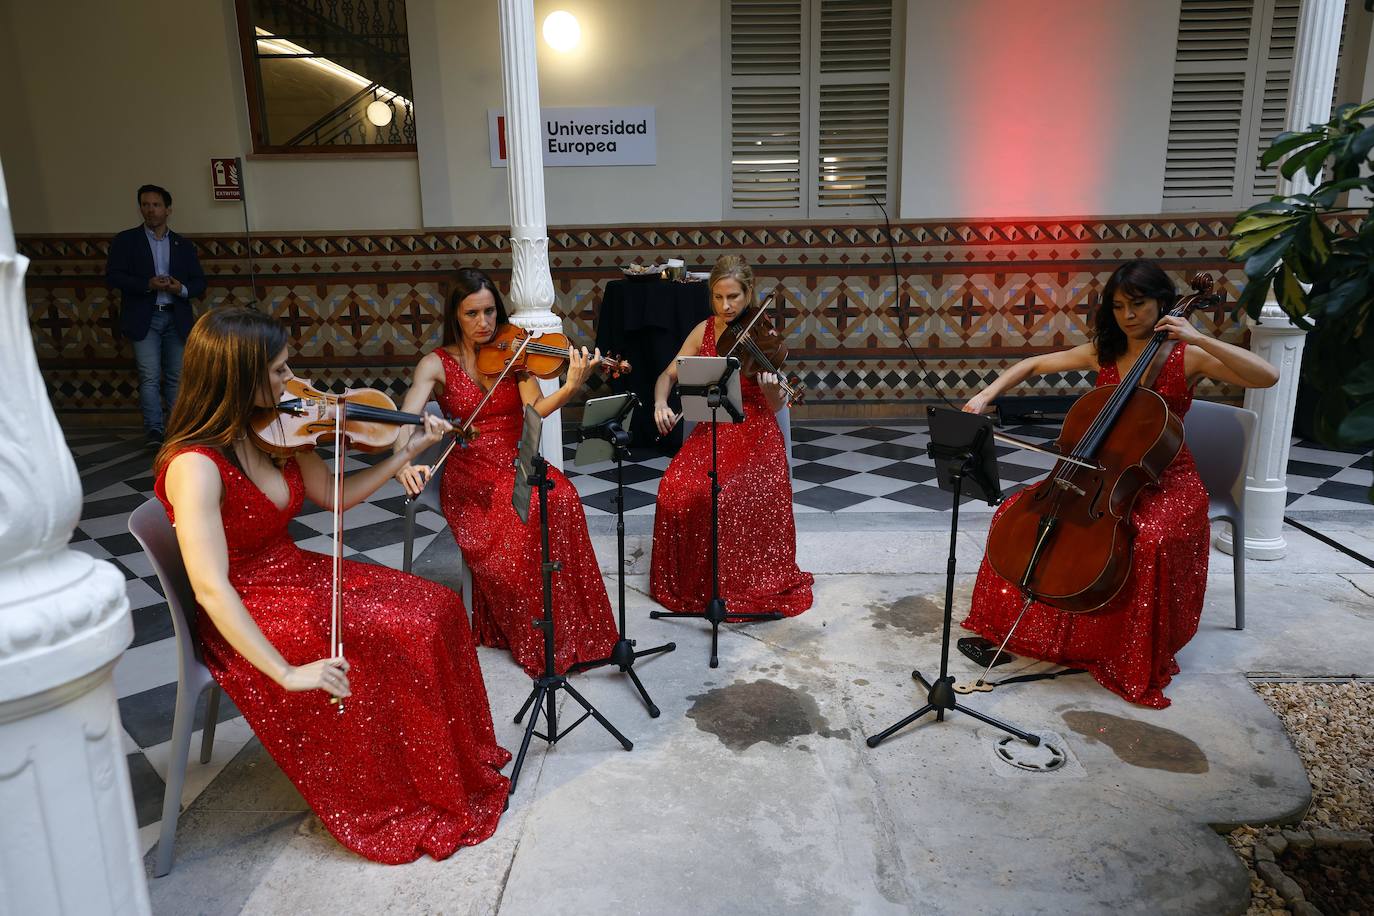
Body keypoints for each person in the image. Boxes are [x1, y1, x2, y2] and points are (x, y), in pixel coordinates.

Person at [154, 306, 509, 864]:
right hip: (248, 606)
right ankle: (406, 786)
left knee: (435, 605)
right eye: (277, 372)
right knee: (402, 630)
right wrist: (288, 672)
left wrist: (406, 453)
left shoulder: (276, 431)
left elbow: (336, 497)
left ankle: (448, 765)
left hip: (295, 572)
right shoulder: (194, 466)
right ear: (236, 377)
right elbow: (212, 589)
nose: (297, 384)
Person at [960, 259, 1279, 708]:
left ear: (1164, 304)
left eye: (1139, 304)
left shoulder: (1190, 355)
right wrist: (986, 394)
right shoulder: (1105, 351)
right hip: (1099, 471)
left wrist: (1199, 336)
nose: (1128, 315)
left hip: (1167, 478)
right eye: (1118, 306)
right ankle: (1043, 627)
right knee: (1012, 514)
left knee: (1147, 539)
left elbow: (1268, 376)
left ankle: (1124, 649)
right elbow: (1034, 364)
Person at [393, 269, 619, 677]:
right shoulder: (435, 364)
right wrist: (402, 464)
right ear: (455, 315)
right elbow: (404, 422)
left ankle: (573, 628)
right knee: (527, 512)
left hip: (518, 460)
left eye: (490, 312)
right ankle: (534, 633)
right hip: (471, 476)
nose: (484, 323)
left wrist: (568, 388)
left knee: (561, 497)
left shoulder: (513, 352)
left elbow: (534, 410)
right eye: (472, 314)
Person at [649, 255, 814, 617]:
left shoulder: (764, 336)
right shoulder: (703, 331)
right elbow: (667, 375)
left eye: (734, 297)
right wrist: (661, 403)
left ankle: (734, 584)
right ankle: (697, 583)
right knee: (675, 487)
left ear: (749, 293)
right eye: (719, 297)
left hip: (755, 433)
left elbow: (775, 407)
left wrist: (773, 390)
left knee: (725, 494)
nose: (726, 306)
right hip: (712, 430)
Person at [106, 184, 207, 447]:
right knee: (149, 375)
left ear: (168, 209)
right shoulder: (127, 240)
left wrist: (180, 288)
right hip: (145, 317)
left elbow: (199, 282)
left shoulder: (182, 244)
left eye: (156, 205)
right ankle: (154, 430)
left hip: (176, 316)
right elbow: (113, 276)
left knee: (176, 376)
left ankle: (176, 429)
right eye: (145, 204)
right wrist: (146, 284)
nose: (150, 210)